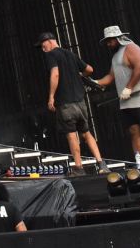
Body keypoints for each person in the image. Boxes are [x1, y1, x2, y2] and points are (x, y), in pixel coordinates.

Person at [93, 24, 140, 168]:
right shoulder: (115, 56)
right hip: (126, 99)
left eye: (110, 40)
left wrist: (129, 88)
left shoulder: (131, 47)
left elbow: (139, 68)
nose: (108, 44)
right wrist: (95, 82)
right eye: (107, 41)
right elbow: (110, 77)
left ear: (118, 38)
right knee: (133, 130)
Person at [39, 31, 104, 176]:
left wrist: (51, 97)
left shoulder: (51, 55)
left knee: (71, 135)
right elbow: (89, 69)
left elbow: (55, 74)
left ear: (50, 41)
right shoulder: (70, 54)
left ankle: (79, 168)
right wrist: (80, 75)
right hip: (80, 102)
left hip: (66, 104)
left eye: (43, 46)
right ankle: (101, 163)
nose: (43, 50)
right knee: (86, 133)